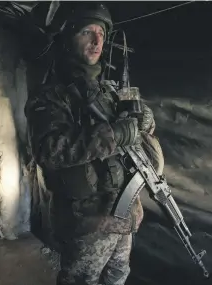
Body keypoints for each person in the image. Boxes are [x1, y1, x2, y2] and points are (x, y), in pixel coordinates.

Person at [25, 3, 156, 285]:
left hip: (123, 213)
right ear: (68, 37)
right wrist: (115, 135)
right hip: (88, 222)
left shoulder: (108, 91)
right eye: (88, 32)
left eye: (101, 34)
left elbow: (137, 134)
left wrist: (143, 120)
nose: (97, 41)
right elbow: (49, 150)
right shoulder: (50, 96)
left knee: (118, 275)